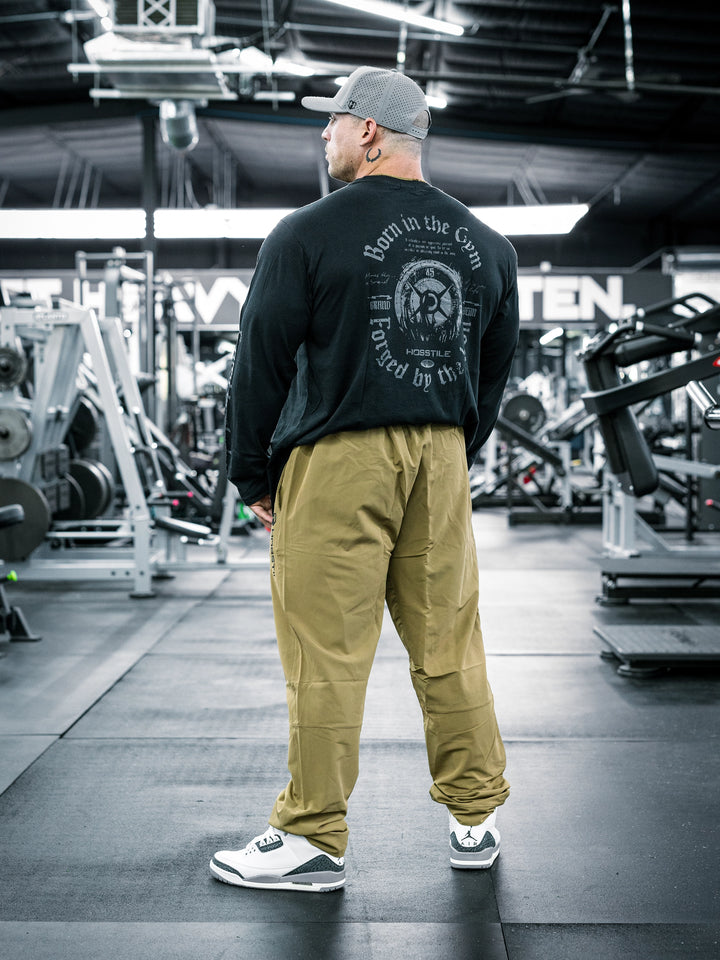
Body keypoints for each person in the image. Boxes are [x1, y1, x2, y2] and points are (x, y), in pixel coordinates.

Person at [211, 66, 519, 893]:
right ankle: (475, 817)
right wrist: (449, 451)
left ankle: (313, 837)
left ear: (371, 132)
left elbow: (259, 367)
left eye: (334, 122)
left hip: (341, 459)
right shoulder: (488, 247)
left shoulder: (305, 233)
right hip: (442, 457)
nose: (325, 135)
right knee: (450, 642)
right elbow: (491, 376)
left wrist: (250, 473)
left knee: (326, 652)